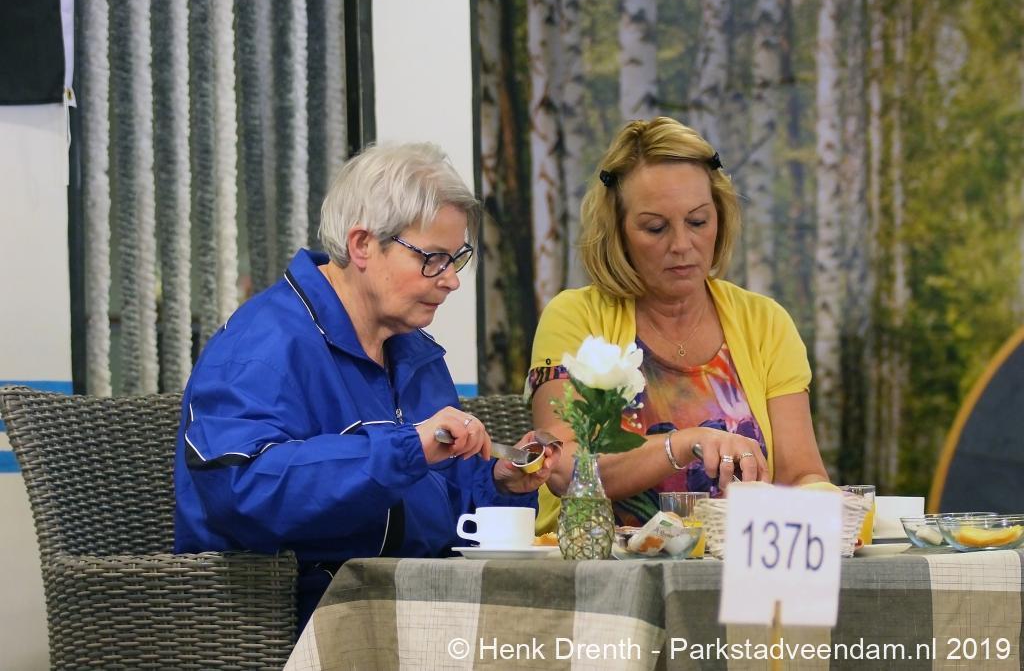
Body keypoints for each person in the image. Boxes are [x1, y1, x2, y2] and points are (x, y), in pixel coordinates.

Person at [175, 142, 558, 626]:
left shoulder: (412, 351)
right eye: (433, 258)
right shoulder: (263, 343)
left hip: (412, 605)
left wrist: (500, 482)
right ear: (362, 245)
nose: (451, 281)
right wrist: (404, 449)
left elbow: (445, 506)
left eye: (456, 259)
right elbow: (241, 489)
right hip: (291, 616)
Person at [528, 117, 828, 531]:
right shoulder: (576, 317)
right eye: (655, 228)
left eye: (698, 222)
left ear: (720, 218)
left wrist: (829, 502)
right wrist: (682, 443)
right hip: (600, 563)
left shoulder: (766, 322)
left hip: (736, 562)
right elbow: (563, 467)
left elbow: (799, 476)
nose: (682, 245)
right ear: (617, 232)